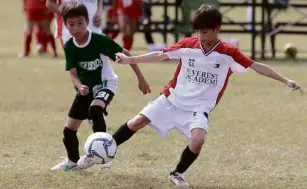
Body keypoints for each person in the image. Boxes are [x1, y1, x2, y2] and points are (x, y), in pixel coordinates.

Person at [77, 4, 302, 187]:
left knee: (198, 140)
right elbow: (161, 54)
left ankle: (177, 173)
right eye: (198, 31)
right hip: (172, 99)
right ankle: (99, 152)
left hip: (198, 108)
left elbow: (256, 66)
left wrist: (285, 80)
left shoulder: (228, 53)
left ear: (217, 29)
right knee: (137, 122)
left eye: (205, 31)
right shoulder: (189, 45)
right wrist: (130, 59)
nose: (200, 35)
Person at [50, 1, 151, 172]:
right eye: (71, 24)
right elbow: (73, 73)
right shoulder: (69, 46)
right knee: (69, 130)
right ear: (65, 25)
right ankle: (72, 162)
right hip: (86, 88)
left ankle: (105, 155)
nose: (76, 28)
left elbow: (125, 53)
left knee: (95, 110)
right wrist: (80, 86)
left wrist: (141, 78)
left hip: (106, 83)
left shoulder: (98, 40)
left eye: (80, 23)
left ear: (87, 21)